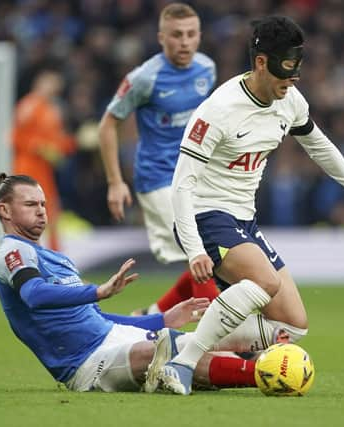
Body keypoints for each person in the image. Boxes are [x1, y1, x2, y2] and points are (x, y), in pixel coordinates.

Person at [152, 16, 344, 395]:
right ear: (260, 63)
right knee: (265, 282)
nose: (291, 82)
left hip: (243, 221)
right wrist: (193, 250)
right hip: (205, 214)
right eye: (284, 72)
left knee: (293, 324)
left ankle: (175, 344)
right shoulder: (217, 110)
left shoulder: (289, 102)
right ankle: (182, 365)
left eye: (295, 73)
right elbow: (182, 185)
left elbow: (318, 144)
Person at [0, 172, 262, 392]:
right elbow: (33, 294)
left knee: (207, 340)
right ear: (5, 211)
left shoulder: (57, 259)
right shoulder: (13, 251)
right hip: (85, 364)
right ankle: (263, 375)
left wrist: (162, 320)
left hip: (113, 340)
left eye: (43, 204)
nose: (42, 211)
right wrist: (98, 291)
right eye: (31, 204)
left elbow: (101, 321)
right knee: (161, 352)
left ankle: (270, 354)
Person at [98, 2, 219, 315]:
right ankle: (229, 338)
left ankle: (149, 318)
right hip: (158, 180)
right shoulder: (144, 78)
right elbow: (108, 124)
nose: (185, 41)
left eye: (191, 34)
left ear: (200, 36)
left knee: (209, 255)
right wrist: (115, 182)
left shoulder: (207, 69)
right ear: (161, 37)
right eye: (177, 35)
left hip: (196, 176)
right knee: (201, 253)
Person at [12, 66, 75, 251]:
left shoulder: (52, 110)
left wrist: (75, 142)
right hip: (27, 169)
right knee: (24, 218)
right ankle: (12, 263)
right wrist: (38, 147)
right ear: (40, 83)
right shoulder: (29, 105)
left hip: (44, 171)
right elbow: (15, 137)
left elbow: (56, 144)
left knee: (50, 216)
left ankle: (58, 266)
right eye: (52, 83)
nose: (55, 88)